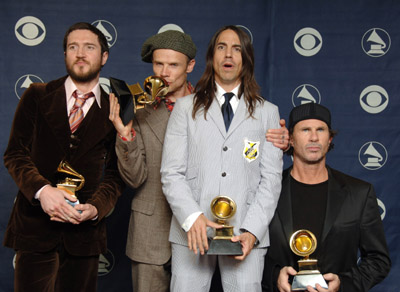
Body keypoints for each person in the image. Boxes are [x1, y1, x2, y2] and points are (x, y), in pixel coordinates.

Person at [160, 25, 283, 292]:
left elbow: (271, 180)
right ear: (211, 56)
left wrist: (252, 231)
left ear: (246, 58)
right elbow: (171, 173)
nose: (229, 54)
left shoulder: (268, 113)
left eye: (237, 48)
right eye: (221, 47)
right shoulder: (184, 108)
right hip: (191, 232)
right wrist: (193, 218)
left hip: (244, 233)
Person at [3, 22, 124, 292]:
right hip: (34, 229)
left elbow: (116, 175)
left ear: (104, 56)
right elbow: (15, 154)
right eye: (73, 47)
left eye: (89, 47)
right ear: (65, 54)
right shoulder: (37, 95)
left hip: (84, 235)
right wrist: (42, 191)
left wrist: (95, 209)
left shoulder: (115, 109)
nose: (80, 53)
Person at [262, 103, 391, 292]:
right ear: (290, 139)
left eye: (320, 130)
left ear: (329, 139)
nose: (314, 137)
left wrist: (342, 284)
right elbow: (248, 250)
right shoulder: (266, 189)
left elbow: (378, 260)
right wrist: (274, 276)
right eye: (305, 130)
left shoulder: (359, 193)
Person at [109, 29, 197, 292]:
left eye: (173, 65)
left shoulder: (209, 108)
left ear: (190, 66)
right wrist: (125, 135)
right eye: (159, 64)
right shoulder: (136, 108)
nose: (164, 73)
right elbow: (134, 178)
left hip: (196, 232)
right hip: (150, 232)